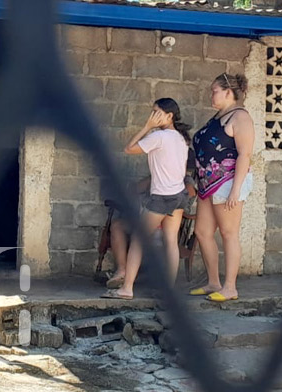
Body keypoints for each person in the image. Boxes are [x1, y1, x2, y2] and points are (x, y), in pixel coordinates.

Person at [102, 98, 191, 300]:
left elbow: (129, 148)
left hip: (162, 197)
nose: (152, 116)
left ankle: (126, 289)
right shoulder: (181, 138)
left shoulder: (159, 136)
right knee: (171, 241)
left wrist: (146, 127)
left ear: (169, 115)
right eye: (152, 113)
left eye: (156, 112)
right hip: (179, 195)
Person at [189, 73, 254, 302]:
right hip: (207, 184)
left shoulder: (240, 117)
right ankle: (213, 282)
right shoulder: (219, 117)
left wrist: (236, 190)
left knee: (228, 233)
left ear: (228, 92)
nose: (211, 95)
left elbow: (245, 154)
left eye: (214, 90)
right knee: (203, 232)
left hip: (227, 183)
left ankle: (230, 287)